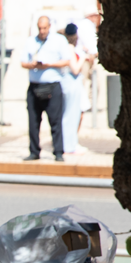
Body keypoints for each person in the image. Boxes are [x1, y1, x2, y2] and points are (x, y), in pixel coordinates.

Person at [21, 16, 73, 162]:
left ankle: (58, 152)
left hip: (52, 86)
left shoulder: (59, 40)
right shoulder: (31, 41)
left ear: (49, 26)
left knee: (55, 121)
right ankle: (34, 151)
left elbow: (67, 60)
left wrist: (49, 64)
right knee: (33, 121)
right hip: (35, 85)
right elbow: (22, 62)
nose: (42, 31)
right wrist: (32, 65)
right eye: (40, 28)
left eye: (44, 28)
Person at [62, 23, 97, 154]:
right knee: (70, 114)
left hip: (74, 84)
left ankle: (72, 141)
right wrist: (83, 57)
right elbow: (75, 69)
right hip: (71, 84)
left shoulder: (73, 48)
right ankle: (69, 144)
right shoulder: (69, 48)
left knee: (77, 114)